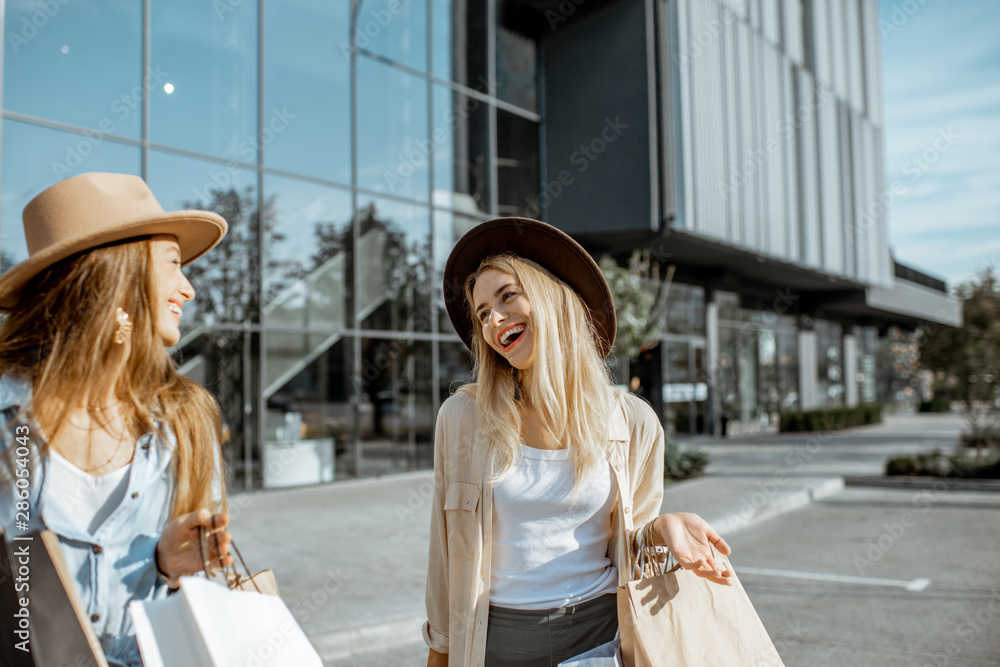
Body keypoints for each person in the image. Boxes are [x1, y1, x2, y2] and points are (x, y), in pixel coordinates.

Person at [425, 218, 733, 667]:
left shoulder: (633, 421)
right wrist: (438, 654)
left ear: (552, 297)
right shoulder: (462, 419)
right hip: (494, 644)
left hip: (600, 640)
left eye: (508, 296)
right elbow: (443, 553)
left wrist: (662, 530)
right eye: (483, 313)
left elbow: (632, 552)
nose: (494, 319)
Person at [0, 172, 234, 667]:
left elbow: (189, 614)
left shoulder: (186, 423)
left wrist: (164, 565)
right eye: (173, 264)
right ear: (119, 280)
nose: (188, 289)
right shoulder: (8, 422)